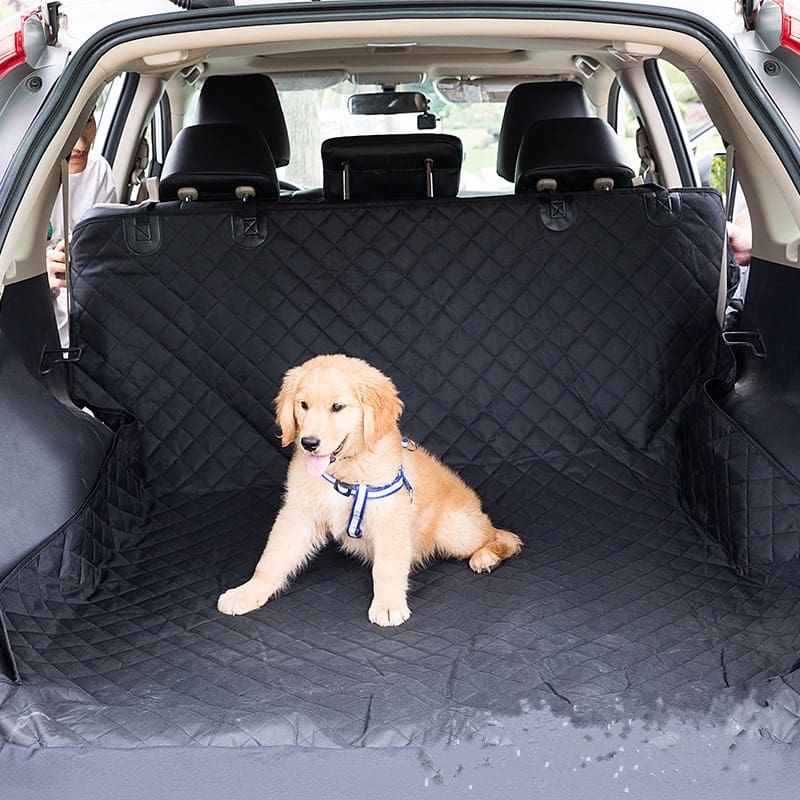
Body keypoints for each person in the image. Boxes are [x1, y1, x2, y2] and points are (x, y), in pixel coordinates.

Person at [46, 112, 117, 348]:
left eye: (87, 121)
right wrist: (40, 275)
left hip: (88, 327)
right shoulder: (21, 178)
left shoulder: (100, 173)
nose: (81, 144)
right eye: (70, 127)